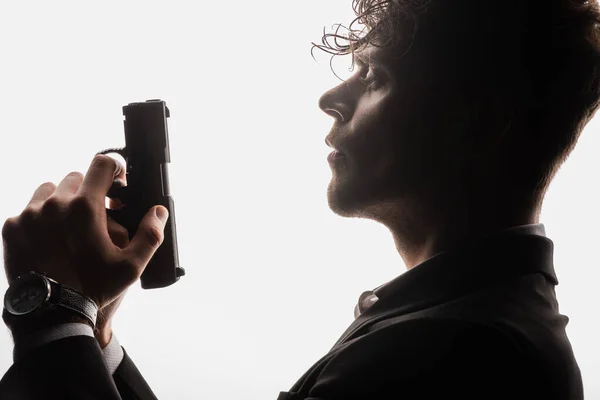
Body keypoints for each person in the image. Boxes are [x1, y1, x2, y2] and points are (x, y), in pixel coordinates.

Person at [1, 0, 599, 398]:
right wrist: (93, 335)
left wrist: (50, 318)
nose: (330, 99)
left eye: (377, 77)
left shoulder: (461, 350)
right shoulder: (464, 326)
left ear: (478, 123)